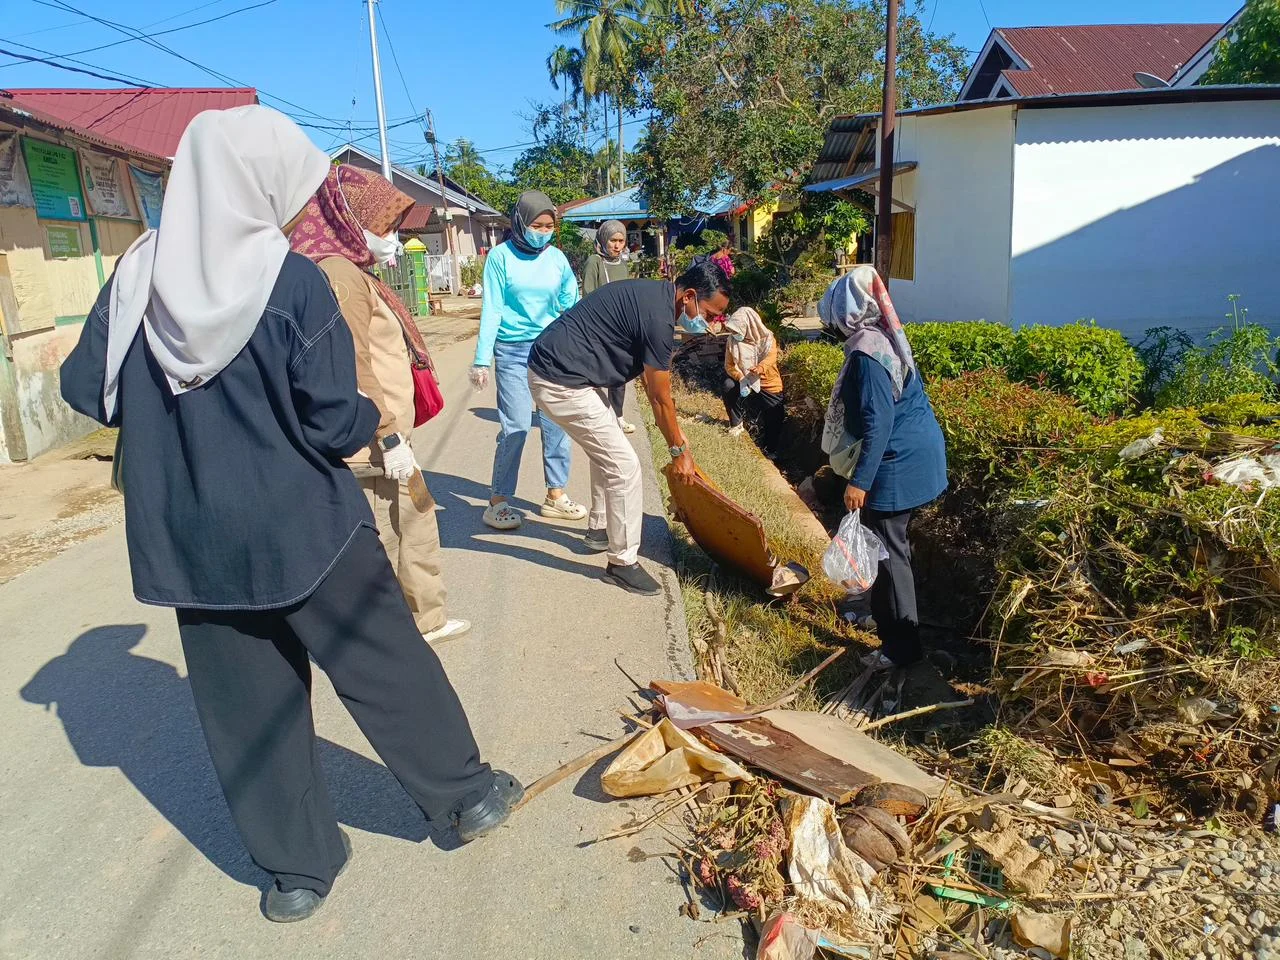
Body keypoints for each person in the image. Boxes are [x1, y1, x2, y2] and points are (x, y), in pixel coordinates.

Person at [59, 106, 521, 924]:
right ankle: (464, 798)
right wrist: (370, 428)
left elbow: (78, 390)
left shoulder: (134, 275)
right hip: (305, 524)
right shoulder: (288, 279)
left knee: (246, 705)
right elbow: (327, 416)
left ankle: (294, 872)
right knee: (383, 662)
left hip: (189, 538)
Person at [290, 163, 470, 646]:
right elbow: (352, 363)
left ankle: (416, 623)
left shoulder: (347, 270)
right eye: (386, 226)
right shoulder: (338, 275)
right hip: (372, 436)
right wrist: (388, 435)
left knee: (407, 525)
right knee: (397, 531)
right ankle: (404, 633)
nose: (391, 238)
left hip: (381, 431)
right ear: (351, 218)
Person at [527, 260, 732, 595]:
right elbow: (660, 398)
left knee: (606, 446)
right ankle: (622, 563)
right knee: (624, 466)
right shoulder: (659, 319)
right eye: (709, 314)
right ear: (690, 297)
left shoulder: (656, 298)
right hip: (558, 378)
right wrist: (680, 450)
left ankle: (599, 528)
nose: (710, 324)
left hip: (564, 369)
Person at [818, 266, 947, 669]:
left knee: (891, 556)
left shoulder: (867, 354)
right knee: (890, 548)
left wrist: (859, 481)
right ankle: (888, 622)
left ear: (846, 314)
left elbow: (879, 423)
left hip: (898, 460)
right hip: (909, 453)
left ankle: (902, 648)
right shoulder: (879, 340)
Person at [471, 191, 585, 531]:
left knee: (556, 424)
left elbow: (572, 305)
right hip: (512, 350)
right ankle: (498, 501)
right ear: (520, 223)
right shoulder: (500, 257)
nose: (543, 231)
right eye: (536, 224)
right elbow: (491, 307)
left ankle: (556, 495)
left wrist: (579, 349)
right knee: (517, 426)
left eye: (549, 225)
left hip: (552, 350)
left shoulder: (557, 259)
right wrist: (481, 360)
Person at [582, 219, 637, 436]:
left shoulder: (622, 263)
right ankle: (595, 417)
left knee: (618, 376)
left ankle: (618, 416)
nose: (617, 245)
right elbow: (587, 295)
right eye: (613, 240)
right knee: (596, 376)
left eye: (621, 241)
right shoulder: (594, 262)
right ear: (603, 239)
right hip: (599, 328)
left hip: (621, 330)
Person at [722, 306, 786, 458]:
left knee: (775, 414)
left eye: (738, 330)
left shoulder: (767, 338)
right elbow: (729, 365)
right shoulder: (732, 341)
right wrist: (741, 377)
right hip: (744, 379)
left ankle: (771, 449)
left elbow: (771, 358)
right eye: (733, 330)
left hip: (766, 382)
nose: (735, 334)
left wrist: (759, 369)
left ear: (749, 326)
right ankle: (736, 424)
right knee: (728, 386)